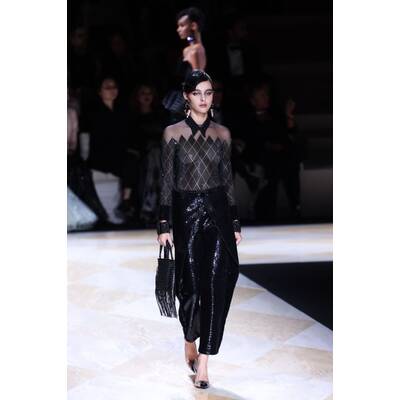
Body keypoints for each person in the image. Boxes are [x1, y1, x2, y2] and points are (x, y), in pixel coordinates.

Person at [156, 70, 242, 389]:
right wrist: (163, 224)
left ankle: (204, 363)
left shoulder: (222, 133)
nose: (204, 98)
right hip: (186, 215)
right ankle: (189, 338)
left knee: (216, 286)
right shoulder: (172, 133)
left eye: (208, 92)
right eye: (198, 93)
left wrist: (234, 221)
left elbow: (228, 180)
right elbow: (166, 181)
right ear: (187, 96)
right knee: (189, 288)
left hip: (218, 214)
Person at [162, 7, 207, 123]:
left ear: (193, 26)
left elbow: (197, 82)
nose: (178, 29)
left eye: (182, 25)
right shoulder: (189, 50)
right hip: (176, 101)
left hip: (183, 106)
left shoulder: (196, 50)